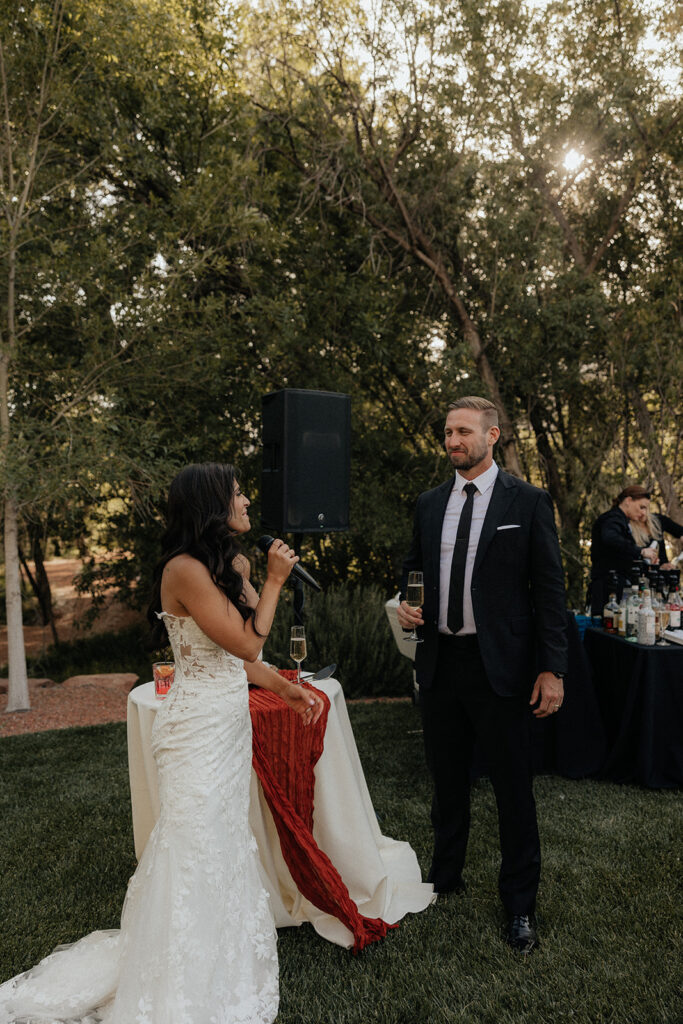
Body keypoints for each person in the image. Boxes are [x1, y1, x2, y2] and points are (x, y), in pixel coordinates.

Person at [0, 462, 323, 1024]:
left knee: (222, 840)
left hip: (227, 723)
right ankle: (173, 977)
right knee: (193, 843)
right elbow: (248, 644)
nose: (247, 500)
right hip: (195, 728)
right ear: (212, 505)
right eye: (238, 493)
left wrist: (285, 688)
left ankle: (219, 962)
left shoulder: (227, 565)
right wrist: (271, 582)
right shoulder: (184, 570)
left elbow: (238, 661)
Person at [397, 397, 567, 955]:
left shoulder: (529, 501)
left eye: (463, 432)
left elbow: (549, 593)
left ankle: (519, 906)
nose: (452, 441)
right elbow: (413, 570)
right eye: (447, 432)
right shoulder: (428, 503)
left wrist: (551, 669)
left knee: (513, 789)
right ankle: (444, 880)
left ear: (492, 436)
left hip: (503, 668)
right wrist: (407, 603)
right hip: (441, 663)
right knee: (447, 783)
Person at [589, 485, 662, 615]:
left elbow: (623, 554)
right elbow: (611, 539)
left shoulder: (621, 521)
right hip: (607, 589)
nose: (644, 513)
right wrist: (641, 551)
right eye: (642, 507)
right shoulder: (612, 519)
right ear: (628, 501)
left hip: (617, 586)